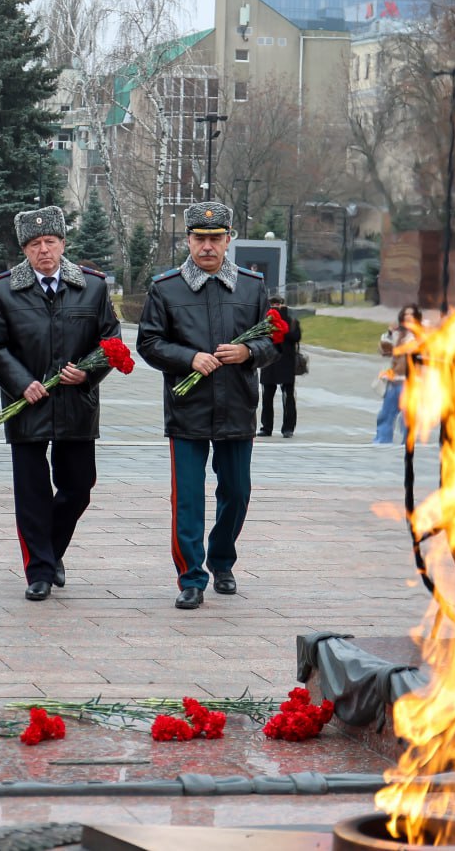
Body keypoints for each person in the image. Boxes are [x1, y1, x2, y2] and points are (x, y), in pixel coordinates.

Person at [136, 201, 276, 610]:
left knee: (237, 491)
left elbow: (271, 341)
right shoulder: (166, 287)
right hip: (188, 408)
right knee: (188, 498)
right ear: (188, 240)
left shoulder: (251, 285)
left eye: (216, 238)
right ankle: (191, 577)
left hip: (237, 406)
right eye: (200, 238)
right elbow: (149, 342)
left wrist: (248, 352)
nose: (208, 246)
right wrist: (189, 358)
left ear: (229, 239)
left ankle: (222, 559)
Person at [0, 206, 120, 601]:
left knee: (79, 486)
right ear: (24, 249)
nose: (43, 250)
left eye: (50, 242)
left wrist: (87, 374)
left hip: (76, 402)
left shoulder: (91, 286)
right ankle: (39, 571)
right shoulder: (3, 290)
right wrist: (21, 383)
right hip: (27, 405)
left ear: (63, 243)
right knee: (32, 493)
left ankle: (51, 548)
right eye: (35, 244)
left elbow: (110, 340)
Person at [373, 304, 421, 445]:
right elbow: (384, 351)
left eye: (411, 314)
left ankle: (407, 444)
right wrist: (389, 333)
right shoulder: (397, 334)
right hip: (394, 382)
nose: (408, 317)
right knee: (386, 414)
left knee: (408, 417)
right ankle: (382, 442)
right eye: (406, 314)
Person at [257, 293, 302, 438]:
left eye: (278, 304)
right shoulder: (265, 319)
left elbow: (296, 336)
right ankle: (266, 427)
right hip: (269, 362)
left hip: (286, 362)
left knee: (288, 396)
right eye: (273, 304)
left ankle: (288, 428)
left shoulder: (291, 320)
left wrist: (282, 321)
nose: (275, 307)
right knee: (267, 397)